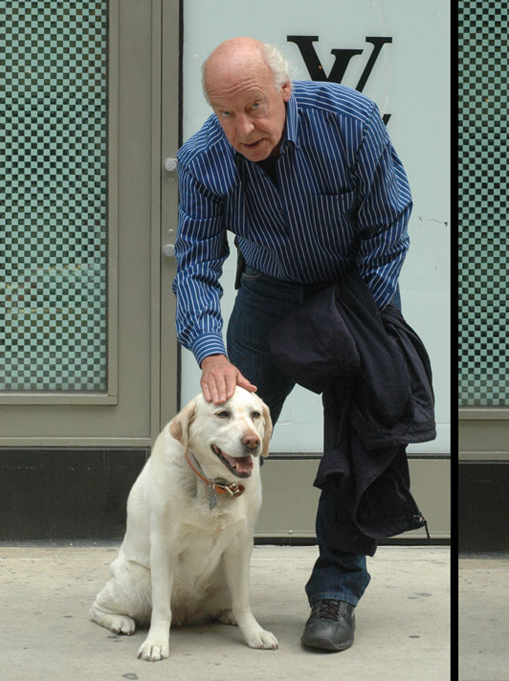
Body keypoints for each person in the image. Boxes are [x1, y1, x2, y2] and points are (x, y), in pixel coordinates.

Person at [172, 36, 413, 652]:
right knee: (219, 428)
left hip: (356, 286)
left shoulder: (348, 119)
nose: (243, 128)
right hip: (268, 291)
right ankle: (191, 579)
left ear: (284, 90)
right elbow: (198, 262)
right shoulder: (203, 158)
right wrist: (212, 352)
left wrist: (358, 316)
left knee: (361, 443)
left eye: (254, 106)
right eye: (226, 114)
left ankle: (336, 590)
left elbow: (391, 218)